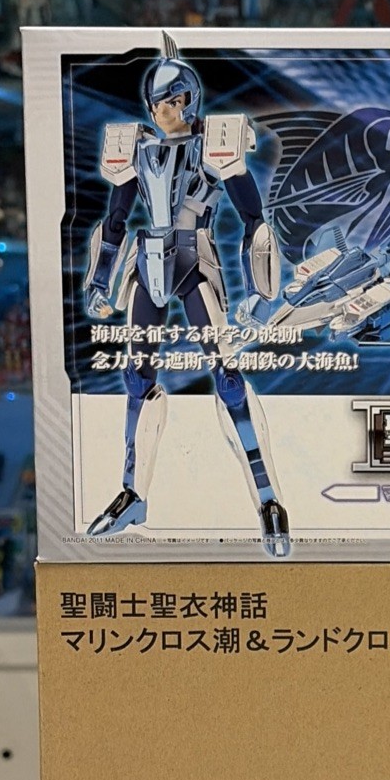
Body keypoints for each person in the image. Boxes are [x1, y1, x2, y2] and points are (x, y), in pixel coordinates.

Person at [83, 35, 290, 556]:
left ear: (187, 100)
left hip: (194, 261)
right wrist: (98, 279)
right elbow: (114, 221)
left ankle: (268, 501)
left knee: (228, 379)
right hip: (147, 262)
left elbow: (254, 220)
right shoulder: (136, 149)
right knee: (137, 378)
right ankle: (133, 495)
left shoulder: (216, 144)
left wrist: (261, 289)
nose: (162, 111)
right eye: (157, 103)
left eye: (171, 101)